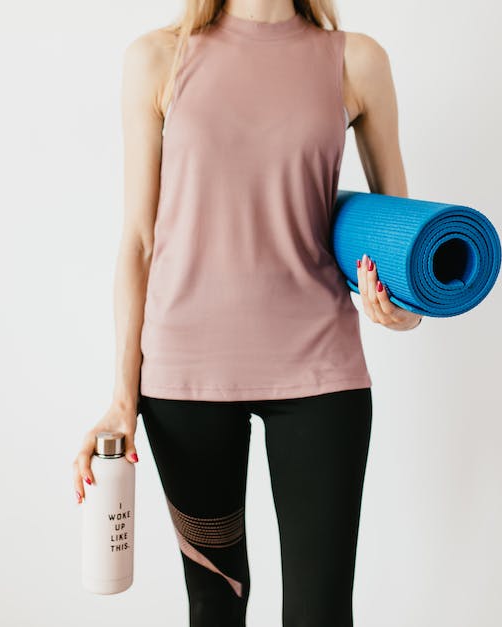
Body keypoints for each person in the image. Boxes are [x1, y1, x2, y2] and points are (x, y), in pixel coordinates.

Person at [74, 1, 419, 624]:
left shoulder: (356, 61)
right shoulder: (158, 57)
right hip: (185, 379)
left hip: (321, 372)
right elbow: (139, 240)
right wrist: (123, 397)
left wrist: (404, 312)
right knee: (216, 604)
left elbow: (405, 237)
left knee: (321, 614)